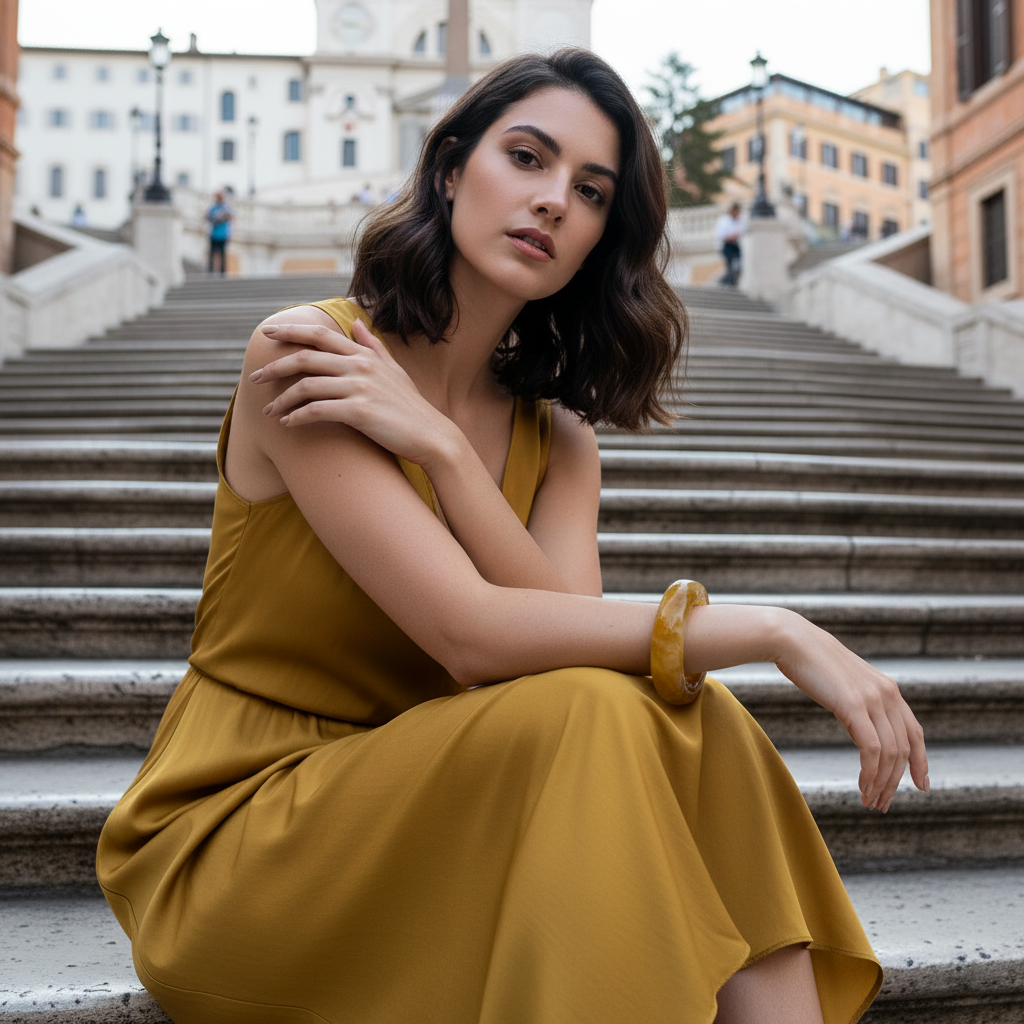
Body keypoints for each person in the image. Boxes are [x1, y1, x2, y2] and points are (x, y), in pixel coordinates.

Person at [97, 49, 927, 1024]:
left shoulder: (560, 440)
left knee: (695, 719)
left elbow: (567, 643)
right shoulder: (310, 356)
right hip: (245, 841)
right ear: (451, 169)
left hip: (451, 814)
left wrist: (446, 453)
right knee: (604, 712)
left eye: (586, 191)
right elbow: (474, 633)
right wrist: (777, 628)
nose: (549, 202)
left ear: (595, 241)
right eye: (525, 158)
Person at [715, 201, 745, 286]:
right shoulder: (723, 221)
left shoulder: (740, 221)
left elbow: (742, 232)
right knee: (729, 266)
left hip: (735, 246)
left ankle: (731, 283)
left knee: (737, 266)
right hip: (727, 246)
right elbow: (722, 235)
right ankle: (728, 283)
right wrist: (731, 237)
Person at [206, 189, 233, 275]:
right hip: (214, 235)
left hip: (223, 235)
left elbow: (230, 219)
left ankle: (222, 272)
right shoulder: (212, 208)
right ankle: (210, 271)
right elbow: (208, 218)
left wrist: (229, 234)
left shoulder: (227, 208)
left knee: (222, 255)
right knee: (212, 254)